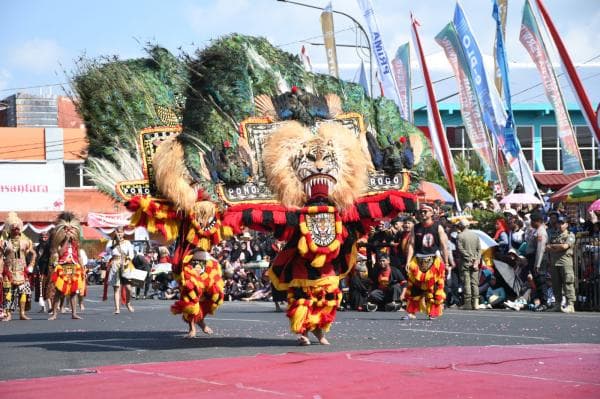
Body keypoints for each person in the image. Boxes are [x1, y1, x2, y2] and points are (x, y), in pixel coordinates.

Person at [404, 203, 449, 320]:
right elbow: (411, 245)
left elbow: (444, 246)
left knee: (433, 287)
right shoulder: (416, 227)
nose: (422, 213)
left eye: (425, 211)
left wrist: (447, 263)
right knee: (414, 287)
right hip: (418, 260)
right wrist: (408, 261)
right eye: (421, 212)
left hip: (434, 260)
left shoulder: (438, 227)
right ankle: (411, 312)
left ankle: (432, 312)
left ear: (431, 213)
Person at [171, 249, 224, 338]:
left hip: (206, 261)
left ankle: (200, 321)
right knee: (190, 295)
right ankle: (192, 327)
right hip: (188, 262)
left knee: (213, 295)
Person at [48, 212, 86, 320]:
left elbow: (78, 256)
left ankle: (74, 313)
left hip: (74, 267)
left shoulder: (76, 243)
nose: (68, 232)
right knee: (59, 291)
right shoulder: (59, 242)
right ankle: (54, 314)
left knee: (74, 292)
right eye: (66, 229)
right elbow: (60, 253)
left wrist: (82, 269)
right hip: (62, 268)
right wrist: (66, 240)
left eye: (70, 229)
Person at [1, 212, 36, 321]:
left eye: (17, 229)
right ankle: (8, 314)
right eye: (14, 229)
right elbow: (1, 257)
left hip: (22, 271)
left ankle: (22, 313)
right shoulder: (4, 243)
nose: (16, 231)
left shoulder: (25, 242)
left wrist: (31, 265)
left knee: (23, 292)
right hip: (9, 271)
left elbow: (33, 253)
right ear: (10, 231)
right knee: (8, 293)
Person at [545, 215, 576, 313]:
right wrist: (558, 246)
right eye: (559, 223)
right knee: (556, 285)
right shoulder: (554, 235)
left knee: (568, 283)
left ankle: (570, 305)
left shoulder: (570, 235)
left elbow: (565, 246)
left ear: (566, 224)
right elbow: (547, 247)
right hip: (554, 263)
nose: (560, 225)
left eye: (562, 223)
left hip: (565, 263)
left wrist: (554, 246)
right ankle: (558, 304)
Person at [456, 219, 481, 310]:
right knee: (475, 283)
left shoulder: (460, 236)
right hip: (475, 262)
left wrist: (468, 257)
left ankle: (467, 303)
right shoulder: (475, 235)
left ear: (461, 226)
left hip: (465, 262)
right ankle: (476, 303)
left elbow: (460, 249)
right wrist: (476, 259)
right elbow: (479, 249)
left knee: (466, 282)